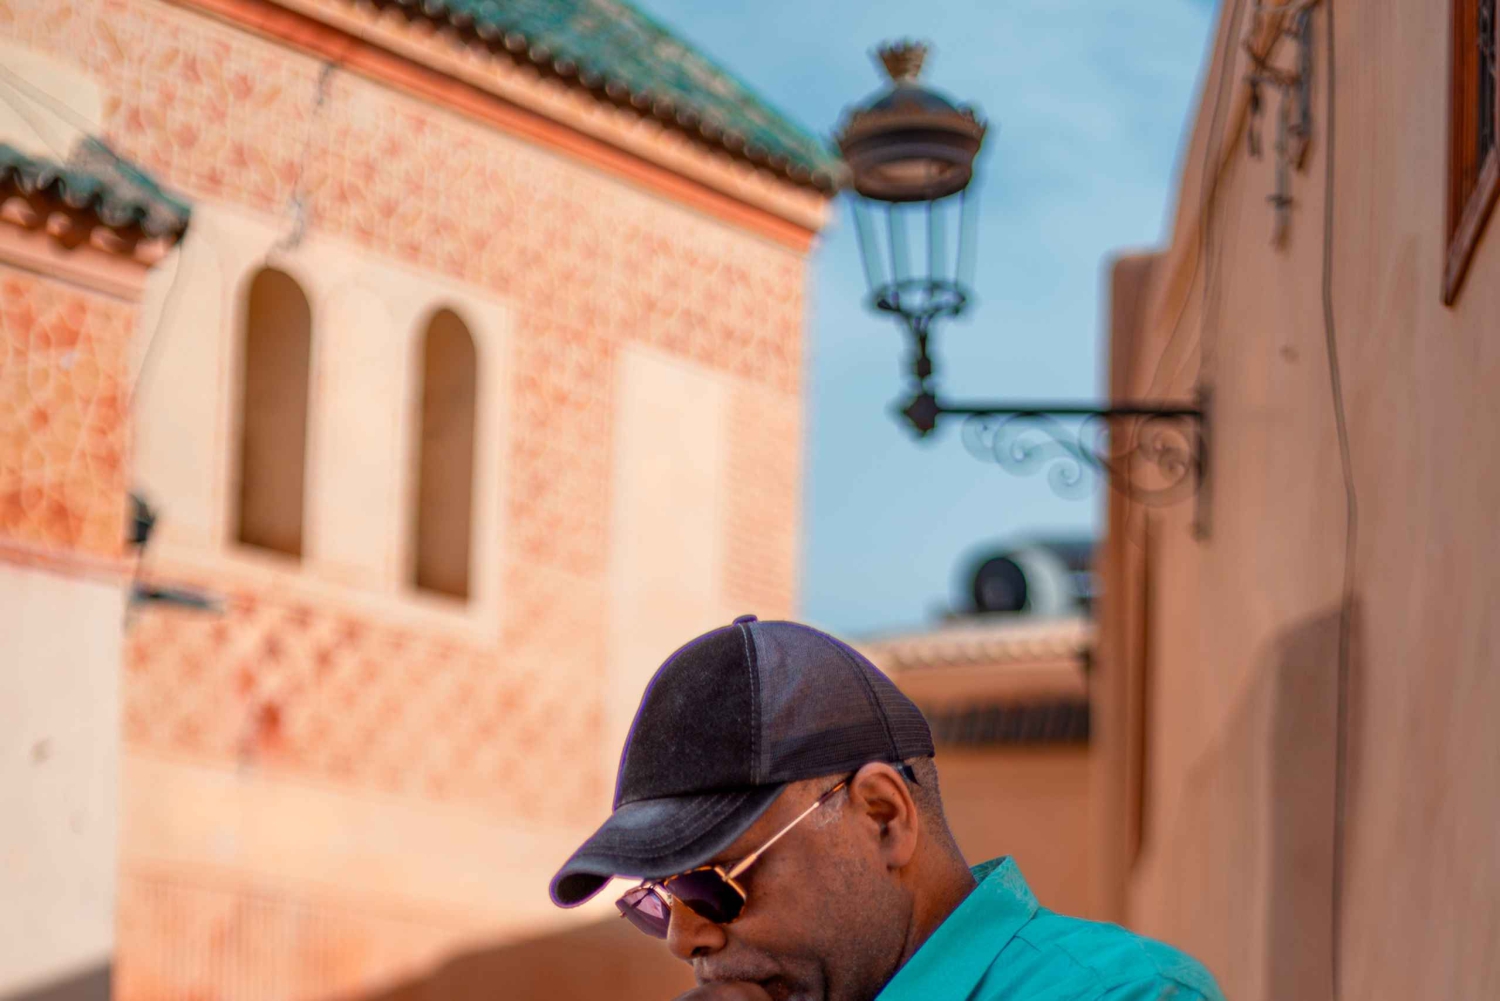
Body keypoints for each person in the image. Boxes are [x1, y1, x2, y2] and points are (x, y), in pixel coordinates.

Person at [551, 616, 1224, 1001]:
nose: (683, 938)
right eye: (657, 900)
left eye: (711, 885)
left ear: (882, 817)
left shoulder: (1121, 994)